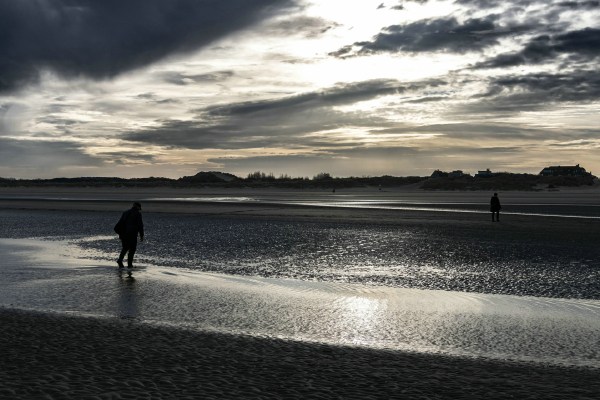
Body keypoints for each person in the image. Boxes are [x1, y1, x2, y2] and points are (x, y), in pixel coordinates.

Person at [115, 202, 144, 268]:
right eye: (139, 208)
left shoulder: (125, 212)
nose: (140, 209)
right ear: (138, 207)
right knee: (132, 249)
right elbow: (140, 226)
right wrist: (141, 235)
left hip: (123, 234)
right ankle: (130, 265)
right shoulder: (138, 214)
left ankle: (120, 260)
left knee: (125, 247)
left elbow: (120, 223)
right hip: (132, 234)